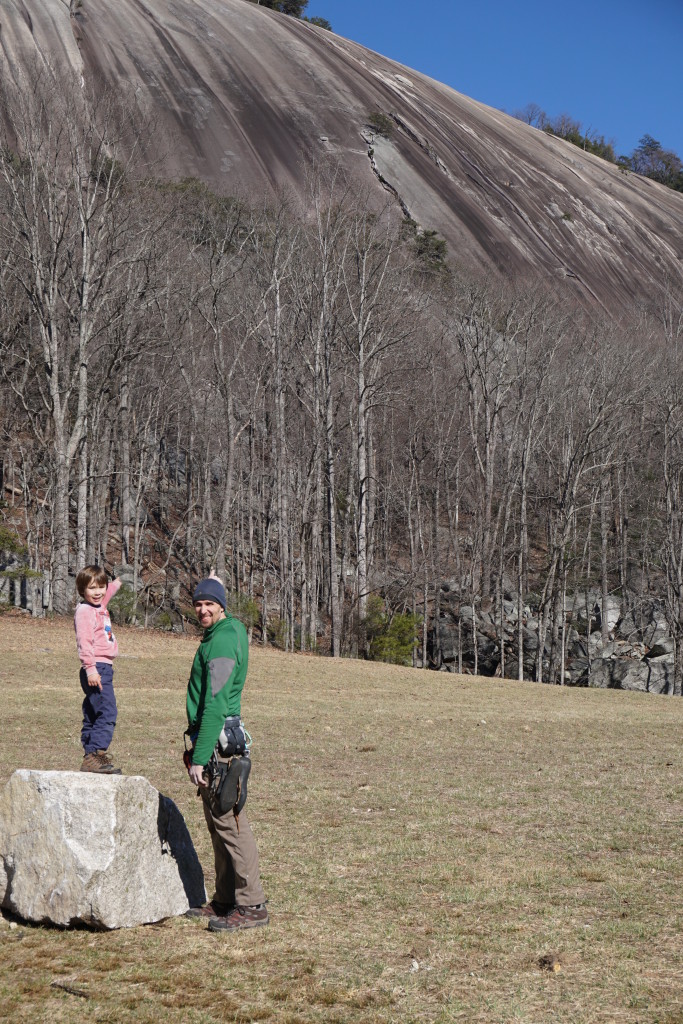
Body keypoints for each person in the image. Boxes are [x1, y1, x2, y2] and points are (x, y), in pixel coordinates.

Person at [184, 575, 268, 932]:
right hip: (212, 742)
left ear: (222, 605)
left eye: (210, 603)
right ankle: (224, 899)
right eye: (199, 603)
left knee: (231, 824)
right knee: (219, 826)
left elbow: (216, 703)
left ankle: (252, 906)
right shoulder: (222, 633)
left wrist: (200, 756)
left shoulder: (222, 641)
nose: (203, 609)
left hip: (218, 747)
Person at [73, 565, 122, 774]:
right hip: (96, 667)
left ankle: (90, 756)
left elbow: (108, 590)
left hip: (102, 667)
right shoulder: (85, 611)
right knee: (107, 711)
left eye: (101, 587)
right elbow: (84, 642)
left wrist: (118, 581)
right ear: (82, 590)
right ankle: (96, 754)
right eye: (92, 588)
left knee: (93, 712)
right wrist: (91, 669)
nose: (98, 592)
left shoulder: (99, 605)